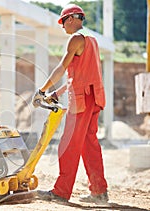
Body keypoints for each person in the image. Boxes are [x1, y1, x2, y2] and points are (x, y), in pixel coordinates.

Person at [32, 4, 108, 203]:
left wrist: (42, 89)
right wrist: (56, 93)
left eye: (63, 21)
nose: (62, 26)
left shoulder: (75, 39)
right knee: (88, 145)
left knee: (68, 144)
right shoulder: (92, 40)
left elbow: (61, 67)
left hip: (82, 100)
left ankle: (61, 192)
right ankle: (99, 192)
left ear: (72, 19)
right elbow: (79, 75)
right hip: (94, 97)